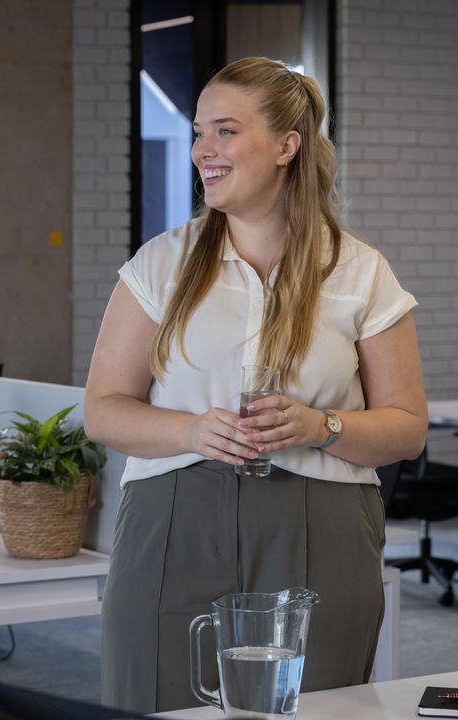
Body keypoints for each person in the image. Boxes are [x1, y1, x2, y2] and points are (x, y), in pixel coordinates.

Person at [83, 56, 427, 714]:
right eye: (198, 133)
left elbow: (406, 427)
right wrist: (189, 429)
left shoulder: (360, 271)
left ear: (285, 146)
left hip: (321, 524)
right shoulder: (159, 264)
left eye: (225, 132)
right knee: (154, 698)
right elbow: (103, 411)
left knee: (319, 708)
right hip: (172, 521)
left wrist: (322, 427)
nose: (202, 152)